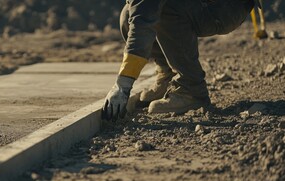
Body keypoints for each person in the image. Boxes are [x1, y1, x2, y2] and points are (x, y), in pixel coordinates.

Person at [102, 0, 256, 121]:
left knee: (164, 9)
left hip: (226, 7)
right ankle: (167, 74)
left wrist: (123, 84)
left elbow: (142, 20)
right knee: (128, 13)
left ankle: (191, 90)